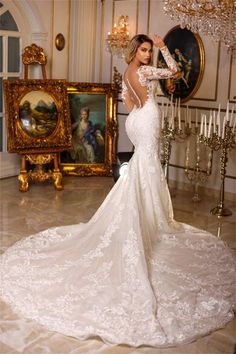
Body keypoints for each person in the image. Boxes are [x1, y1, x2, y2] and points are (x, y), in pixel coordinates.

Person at [0, 34, 235, 348]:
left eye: (151, 50)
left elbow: (128, 101)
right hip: (147, 118)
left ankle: (147, 215)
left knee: (143, 166)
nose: (148, 54)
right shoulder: (143, 72)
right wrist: (166, 48)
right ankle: (151, 220)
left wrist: (144, 95)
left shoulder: (126, 73)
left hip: (137, 120)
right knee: (147, 165)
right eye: (144, 49)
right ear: (134, 51)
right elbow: (175, 72)